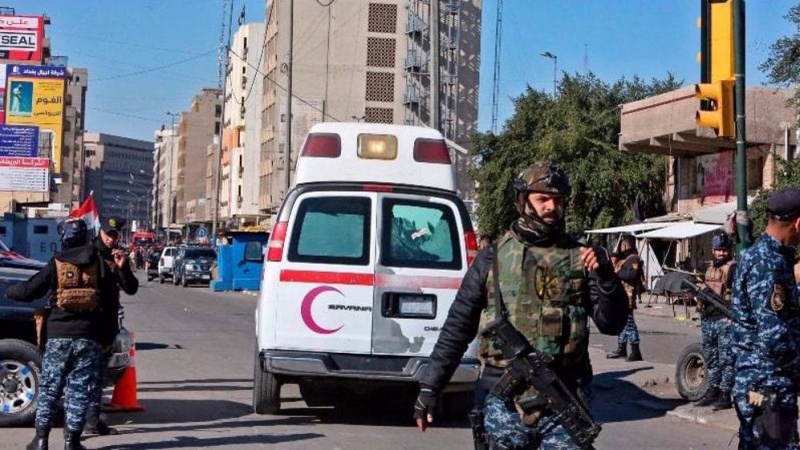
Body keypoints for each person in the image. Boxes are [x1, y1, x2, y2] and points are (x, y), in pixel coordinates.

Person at [413, 162, 629, 449]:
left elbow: (612, 324)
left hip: (565, 399)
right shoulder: (491, 259)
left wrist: (606, 276)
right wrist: (430, 387)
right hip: (502, 402)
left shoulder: (581, 257)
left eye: (558, 200)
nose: (551, 207)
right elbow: (458, 326)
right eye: (542, 199)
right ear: (523, 201)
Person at [8, 219, 122, 450]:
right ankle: (73, 442)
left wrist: (11, 291)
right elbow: (111, 302)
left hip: (58, 335)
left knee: (50, 389)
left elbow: (30, 290)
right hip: (88, 337)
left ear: (64, 238)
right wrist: (107, 337)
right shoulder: (99, 263)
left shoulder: (57, 262)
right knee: (79, 390)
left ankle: (41, 440)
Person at [731, 188, 800, 449]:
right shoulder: (767, 263)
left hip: (762, 383)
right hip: (768, 384)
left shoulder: (764, 256)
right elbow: (774, 335)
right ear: (798, 223)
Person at [84, 216, 139, 437]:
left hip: (107, 325)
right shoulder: (87, 253)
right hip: (88, 324)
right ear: (100, 231)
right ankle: (85, 420)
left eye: (114, 235)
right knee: (86, 374)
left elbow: (131, 288)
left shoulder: (117, 256)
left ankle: (92, 420)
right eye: (108, 234)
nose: (110, 239)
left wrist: (123, 268)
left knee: (98, 375)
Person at [693, 232, 736, 410]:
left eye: (724, 250)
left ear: (730, 250)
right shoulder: (709, 269)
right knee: (711, 358)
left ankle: (725, 394)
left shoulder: (733, 268)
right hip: (708, 318)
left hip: (725, 318)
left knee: (726, 359)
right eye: (718, 250)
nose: (720, 253)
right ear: (713, 250)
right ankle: (713, 390)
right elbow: (699, 287)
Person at [606, 234, 644, 362]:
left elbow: (632, 275)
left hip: (628, 296)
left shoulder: (633, 258)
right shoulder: (625, 259)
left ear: (625, 245)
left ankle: (635, 350)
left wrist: (617, 273)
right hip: (621, 295)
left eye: (621, 245)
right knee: (621, 322)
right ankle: (621, 348)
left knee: (629, 323)